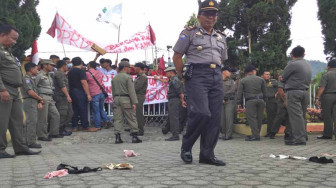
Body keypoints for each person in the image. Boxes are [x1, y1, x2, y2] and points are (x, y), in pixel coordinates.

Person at [172, 0, 227, 166]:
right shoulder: (189, 33)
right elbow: (177, 56)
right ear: (199, 16)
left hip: (216, 76)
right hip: (196, 75)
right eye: (207, 14)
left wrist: (219, 74)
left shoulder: (221, 37)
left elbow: (222, 59)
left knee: (215, 117)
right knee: (202, 113)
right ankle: (186, 147)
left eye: (214, 14)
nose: (211, 18)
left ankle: (207, 154)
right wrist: (183, 76)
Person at [0, 24, 41, 158]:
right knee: (2, 121)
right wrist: (2, 90)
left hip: (15, 90)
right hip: (4, 89)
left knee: (18, 121)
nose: (15, 42)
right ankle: (0, 150)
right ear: (2, 35)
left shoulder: (8, 52)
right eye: (13, 38)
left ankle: (21, 148)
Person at [280, 46, 312, 145]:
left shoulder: (292, 64)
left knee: (295, 117)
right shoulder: (308, 65)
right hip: (305, 92)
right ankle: (303, 136)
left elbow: (283, 77)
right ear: (303, 54)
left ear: (292, 55)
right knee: (301, 116)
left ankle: (298, 139)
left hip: (294, 92)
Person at [112, 59, 142, 144]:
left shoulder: (115, 78)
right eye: (129, 67)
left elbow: (113, 91)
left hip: (117, 99)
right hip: (126, 99)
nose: (130, 69)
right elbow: (131, 91)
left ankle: (118, 137)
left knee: (117, 119)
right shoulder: (127, 77)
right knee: (131, 118)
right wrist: (134, 102)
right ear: (125, 68)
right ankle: (134, 136)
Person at [237, 65, 266, 141]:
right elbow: (265, 92)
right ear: (253, 71)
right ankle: (256, 134)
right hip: (261, 100)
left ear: (246, 72)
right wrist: (265, 102)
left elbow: (240, 93)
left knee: (252, 118)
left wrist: (239, 104)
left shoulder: (243, 80)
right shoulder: (261, 79)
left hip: (250, 101)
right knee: (259, 118)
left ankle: (255, 135)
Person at [36, 59, 62, 141]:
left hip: (50, 97)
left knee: (56, 115)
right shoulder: (39, 75)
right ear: (45, 65)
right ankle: (41, 135)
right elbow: (34, 87)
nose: (52, 67)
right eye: (51, 65)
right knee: (42, 117)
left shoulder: (49, 75)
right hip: (42, 97)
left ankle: (54, 133)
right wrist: (39, 99)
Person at [22, 62, 44, 148]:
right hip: (29, 101)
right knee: (31, 122)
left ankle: (28, 141)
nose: (37, 69)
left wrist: (38, 100)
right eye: (36, 68)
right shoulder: (26, 78)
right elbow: (30, 92)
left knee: (32, 121)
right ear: (31, 69)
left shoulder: (32, 78)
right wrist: (40, 99)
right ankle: (30, 142)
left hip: (33, 101)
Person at [68, 57, 92, 132]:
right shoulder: (81, 71)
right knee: (83, 109)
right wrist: (88, 94)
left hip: (71, 91)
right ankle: (85, 126)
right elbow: (84, 83)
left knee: (75, 109)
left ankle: (74, 126)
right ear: (81, 63)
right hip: (79, 92)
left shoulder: (70, 71)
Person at [86, 61, 112, 131]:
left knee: (96, 111)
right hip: (101, 93)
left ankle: (97, 125)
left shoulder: (87, 73)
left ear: (89, 65)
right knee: (101, 109)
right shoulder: (99, 72)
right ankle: (107, 121)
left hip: (94, 93)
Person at [315, 59, 336, 140]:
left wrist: (317, 98)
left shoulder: (326, 75)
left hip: (328, 96)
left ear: (328, 66)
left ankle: (328, 134)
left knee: (327, 116)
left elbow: (322, 87)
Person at [53, 60, 73, 136]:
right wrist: (68, 95)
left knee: (69, 113)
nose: (67, 67)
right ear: (63, 66)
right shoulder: (59, 74)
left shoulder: (63, 74)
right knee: (62, 113)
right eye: (67, 65)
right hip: (61, 97)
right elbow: (62, 86)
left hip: (64, 96)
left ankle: (63, 128)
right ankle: (59, 129)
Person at [163, 67, 183, 141]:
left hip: (174, 100)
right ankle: (169, 131)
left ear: (171, 72)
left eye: (167, 72)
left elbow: (179, 91)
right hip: (173, 99)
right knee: (172, 117)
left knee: (174, 118)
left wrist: (182, 100)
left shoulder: (175, 80)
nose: (166, 74)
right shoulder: (173, 79)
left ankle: (175, 135)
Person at [221, 67, 236, 140]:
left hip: (229, 101)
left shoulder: (231, 81)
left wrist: (223, 97)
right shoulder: (217, 80)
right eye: (229, 71)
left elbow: (232, 91)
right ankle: (223, 133)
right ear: (224, 71)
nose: (230, 73)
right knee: (222, 118)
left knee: (229, 118)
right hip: (219, 102)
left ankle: (229, 135)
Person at [262, 70, 278, 137]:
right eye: (266, 74)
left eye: (268, 74)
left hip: (272, 100)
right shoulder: (261, 82)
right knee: (269, 117)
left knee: (272, 117)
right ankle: (269, 132)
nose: (268, 75)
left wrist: (276, 94)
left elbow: (279, 87)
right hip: (264, 100)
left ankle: (271, 133)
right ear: (263, 75)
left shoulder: (273, 81)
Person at [134, 62, 148, 136]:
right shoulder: (139, 76)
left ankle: (140, 129)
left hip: (139, 96)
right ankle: (136, 127)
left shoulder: (142, 76)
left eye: (135, 67)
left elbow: (137, 87)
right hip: (137, 96)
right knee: (136, 113)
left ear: (138, 68)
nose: (134, 69)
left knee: (138, 113)